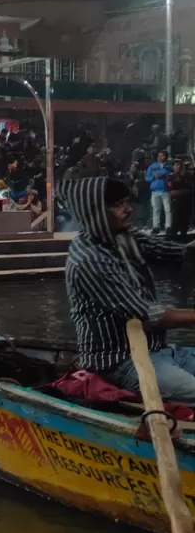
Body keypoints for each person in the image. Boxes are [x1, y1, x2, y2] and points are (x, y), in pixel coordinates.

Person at [65, 177, 195, 400]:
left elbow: (177, 253)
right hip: (120, 362)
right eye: (117, 205)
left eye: (126, 202)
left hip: (158, 351)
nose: (127, 209)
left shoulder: (125, 238)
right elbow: (147, 314)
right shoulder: (88, 259)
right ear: (95, 212)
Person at [147, 150, 172, 233]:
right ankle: (156, 227)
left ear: (166, 157)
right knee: (156, 209)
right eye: (159, 156)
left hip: (165, 190)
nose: (160, 157)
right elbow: (147, 178)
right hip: (155, 190)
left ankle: (168, 227)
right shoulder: (152, 166)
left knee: (168, 209)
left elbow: (171, 175)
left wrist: (165, 176)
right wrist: (154, 177)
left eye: (162, 156)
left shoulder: (169, 166)